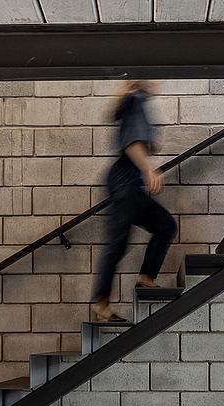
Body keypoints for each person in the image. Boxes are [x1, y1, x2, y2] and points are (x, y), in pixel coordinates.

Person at [90, 80, 177, 323]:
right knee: (118, 243)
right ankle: (101, 303)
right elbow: (131, 143)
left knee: (164, 225)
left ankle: (146, 279)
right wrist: (148, 169)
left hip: (127, 181)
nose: (159, 82)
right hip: (125, 179)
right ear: (144, 79)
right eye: (156, 77)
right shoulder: (135, 99)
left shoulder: (135, 100)